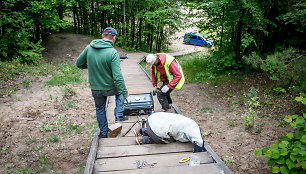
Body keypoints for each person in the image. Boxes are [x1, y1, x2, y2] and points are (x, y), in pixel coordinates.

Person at [76, 27, 130, 138]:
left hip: (95, 88)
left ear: (102, 35)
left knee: (100, 108)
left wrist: (91, 65)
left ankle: (104, 133)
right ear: (114, 38)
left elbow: (79, 63)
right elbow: (118, 77)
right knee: (120, 93)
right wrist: (126, 94)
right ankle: (118, 115)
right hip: (110, 88)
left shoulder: (89, 48)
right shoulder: (113, 52)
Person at [133, 112, 205, 153]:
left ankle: (140, 131)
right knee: (170, 140)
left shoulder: (187, 121)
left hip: (152, 119)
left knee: (161, 128)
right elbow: (199, 142)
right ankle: (143, 140)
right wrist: (198, 152)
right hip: (157, 130)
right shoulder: (194, 129)